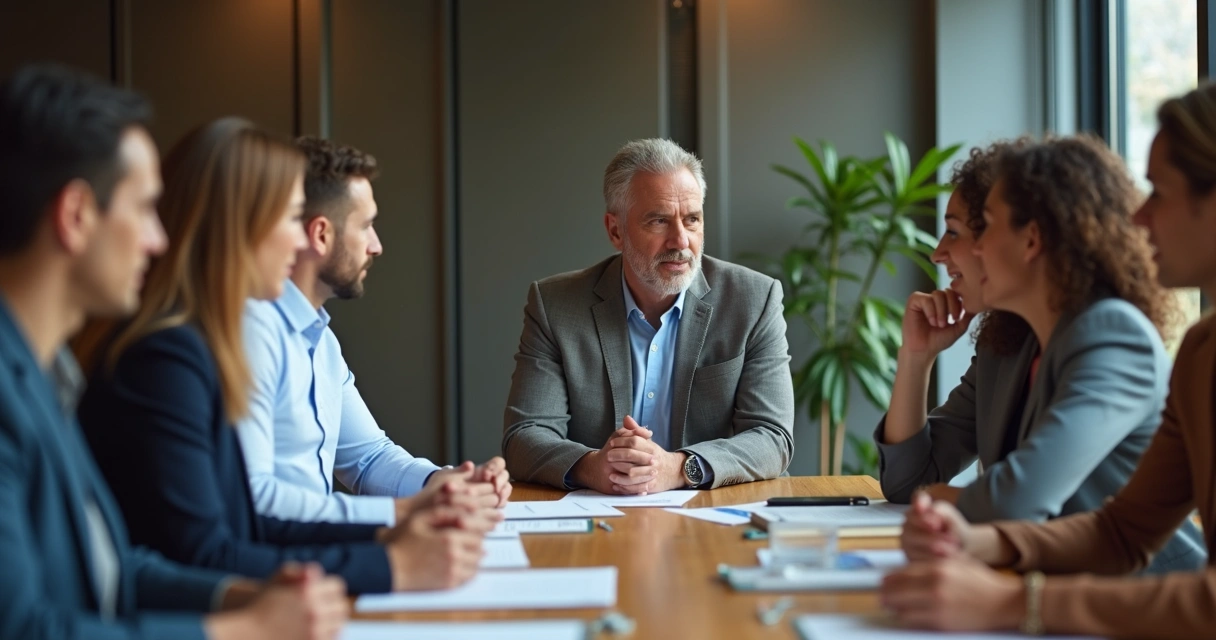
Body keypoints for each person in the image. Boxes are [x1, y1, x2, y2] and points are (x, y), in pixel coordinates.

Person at [74, 118, 496, 596]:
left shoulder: (204, 344)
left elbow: (241, 527)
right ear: (242, 226)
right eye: (288, 218)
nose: (300, 243)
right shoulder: (171, 355)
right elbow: (215, 545)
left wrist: (419, 508)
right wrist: (392, 553)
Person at [0, 64, 347, 640]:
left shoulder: (46, 376)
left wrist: (248, 595)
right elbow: (22, 629)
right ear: (76, 215)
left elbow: (111, 569)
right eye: (143, 209)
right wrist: (244, 629)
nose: (159, 238)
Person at [883, 104, 1216, 638]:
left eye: (1159, 190)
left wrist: (1015, 599)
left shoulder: (1112, 332)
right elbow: (1122, 532)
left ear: (1033, 239)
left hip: (1141, 613)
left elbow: (1018, 501)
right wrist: (976, 542)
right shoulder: (1201, 348)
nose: (1139, 216)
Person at [238, 136, 509, 527]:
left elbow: (367, 459)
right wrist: (405, 511)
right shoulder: (252, 333)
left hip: (320, 557)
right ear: (320, 235)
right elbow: (255, 499)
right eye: (365, 226)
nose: (376, 246)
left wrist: (448, 483)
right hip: (283, 570)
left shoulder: (322, 342)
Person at [502, 138, 795, 493]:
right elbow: (524, 436)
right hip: (597, 521)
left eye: (692, 220)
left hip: (713, 517)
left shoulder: (753, 300)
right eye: (658, 221)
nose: (681, 241)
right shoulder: (556, 305)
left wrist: (680, 467)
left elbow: (772, 436)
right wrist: (594, 467)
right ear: (615, 231)